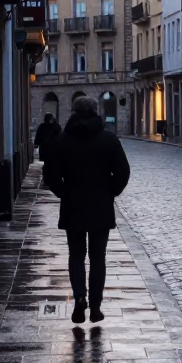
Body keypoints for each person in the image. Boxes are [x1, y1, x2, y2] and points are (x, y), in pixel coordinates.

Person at [43, 97, 131, 324]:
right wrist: (109, 191)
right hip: (100, 206)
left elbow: (51, 175)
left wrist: (64, 192)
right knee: (98, 257)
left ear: (74, 111)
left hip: (73, 204)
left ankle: (80, 297)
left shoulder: (62, 141)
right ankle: (96, 307)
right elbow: (123, 172)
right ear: (95, 111)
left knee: (76, 255)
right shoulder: (109, 139)